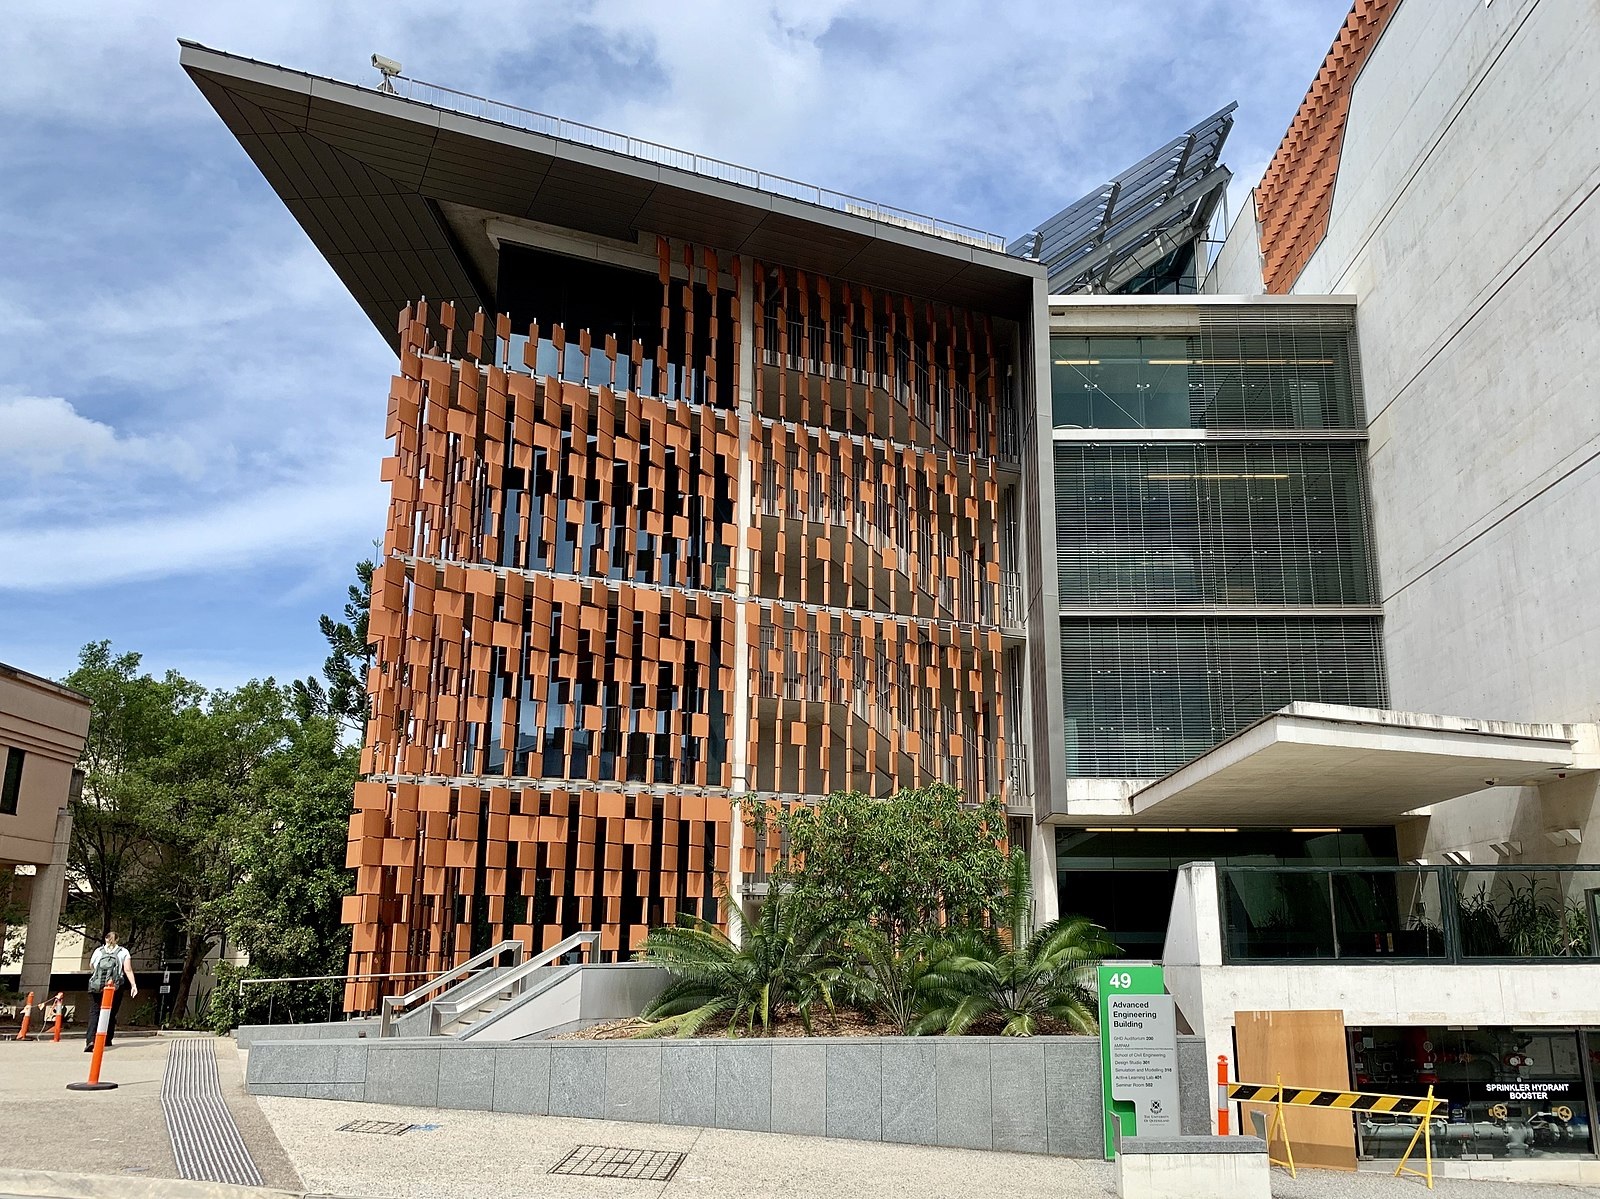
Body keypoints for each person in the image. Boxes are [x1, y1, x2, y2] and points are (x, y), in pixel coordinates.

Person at [84, 932, 136, 1051]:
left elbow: (91, 966)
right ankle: (107, 1038)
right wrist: (133, 985)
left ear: (105, 939)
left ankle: (91, 1040)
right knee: (111, 1012)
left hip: (96, 986)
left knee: (94, 1012)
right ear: (117, 940)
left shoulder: (98, 951)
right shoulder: (123, 952)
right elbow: (127, 969)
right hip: (114, 986)